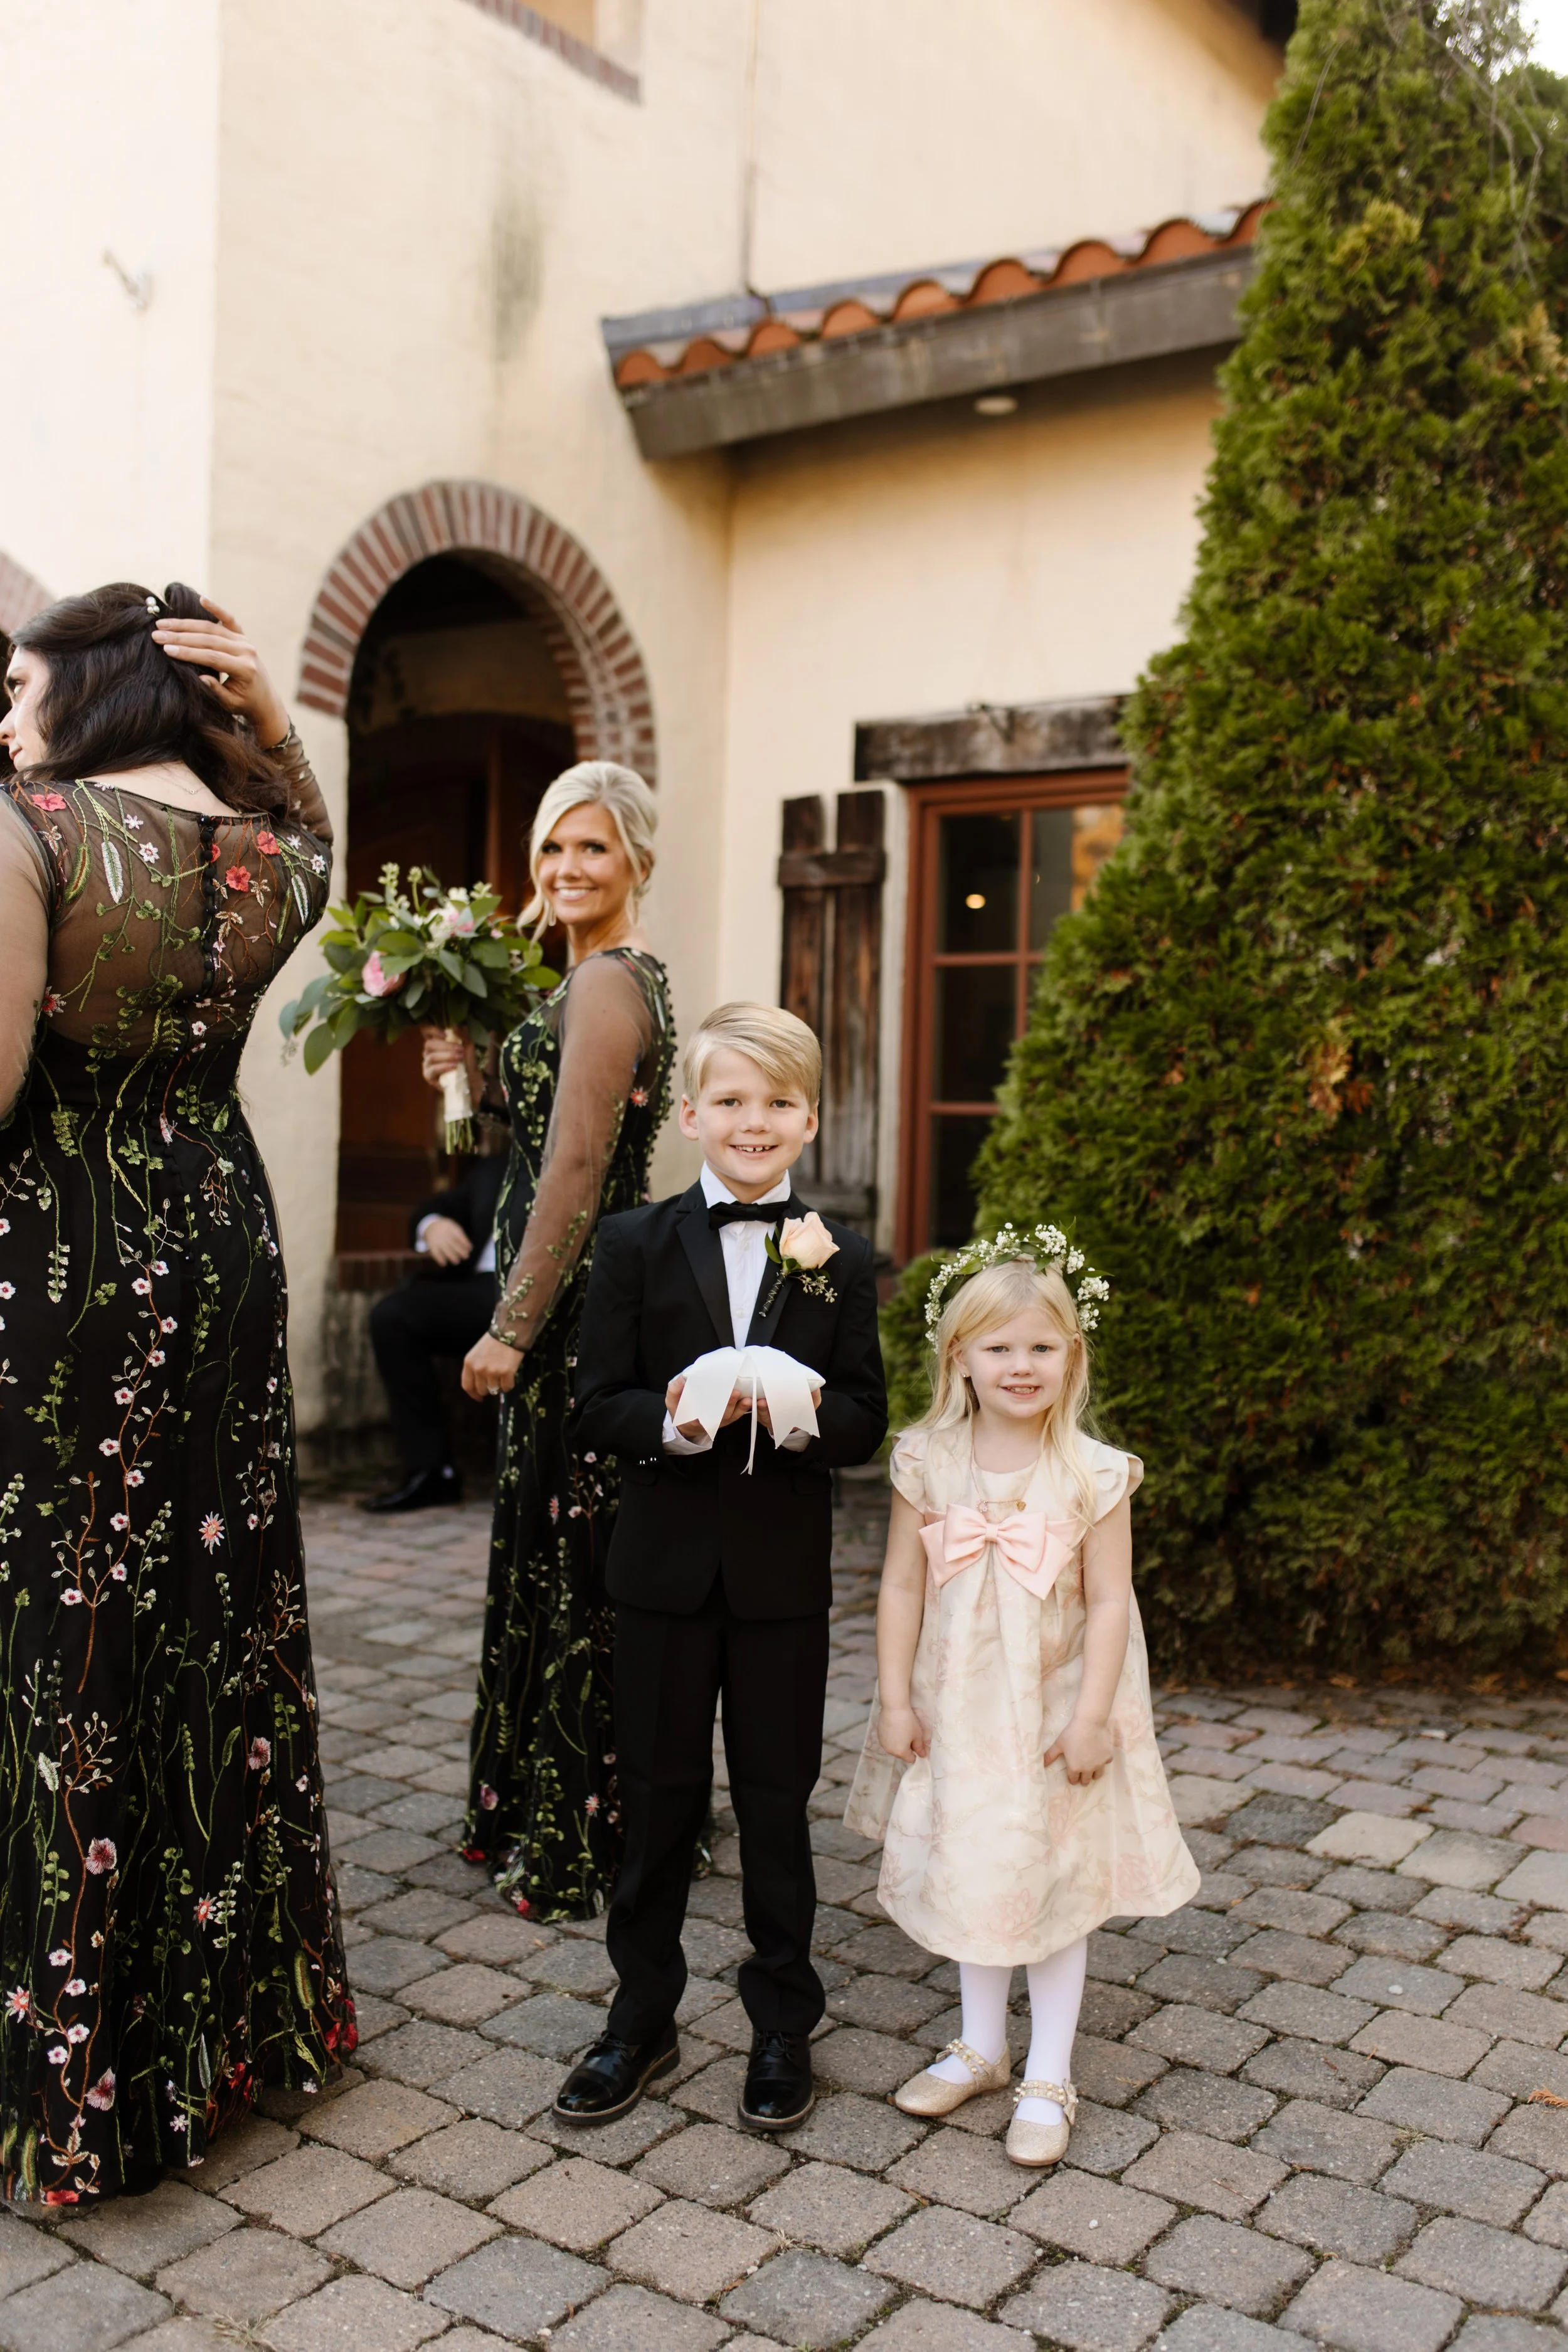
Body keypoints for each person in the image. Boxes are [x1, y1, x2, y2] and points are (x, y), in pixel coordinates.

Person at [0, 583, 354, 2202]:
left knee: (59, 1623)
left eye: (20, 684)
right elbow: (314, 820)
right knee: (209, 1603)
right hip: (220, 1242)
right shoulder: (278, 857)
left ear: (91, 687)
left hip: (62, 1263)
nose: (5, 715)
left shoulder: (36, 829)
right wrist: (272, 715)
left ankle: (69, 2060)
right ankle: (218, 2021)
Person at [554, 1003, 887, 2133]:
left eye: (779, 1103)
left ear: (808, 1120)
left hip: (780, 1581)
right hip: (659, 1576)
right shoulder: (630, 1245)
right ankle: (640, 2014)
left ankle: (784, 2019)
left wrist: (794, 1415)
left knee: (777, 1802)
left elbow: (864, 1421)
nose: (755, 1122)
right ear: (692, 1114)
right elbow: (595, 1404)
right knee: (654, 1801)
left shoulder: (840, 1255)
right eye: (732, 1101)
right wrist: (685, 1419)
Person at [845, 1236, 1198, 2168]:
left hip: (1052, 1705)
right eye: (999, 1347)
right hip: (958, 1704)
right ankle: (982, 2045)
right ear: (958, 1355)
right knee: (977, 1860)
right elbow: (901, 1589)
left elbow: (1114, 1599)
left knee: (1052, 1872)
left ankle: (1048, 2068)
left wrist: (1091, 1719)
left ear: (1071, 1358)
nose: (1020, 1365)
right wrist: (892, 1700)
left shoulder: (1093, 1472)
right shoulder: (926, 1459)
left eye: (1042, 1347)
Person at [421, 762, 674, 1919]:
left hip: (577, 1313)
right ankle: (546, 1801)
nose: (570, 870)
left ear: (636, 864)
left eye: (595, 850)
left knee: (575, 1572)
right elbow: (529, 1154)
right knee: (545, 1555)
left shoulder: (611, 985)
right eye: (554, 850)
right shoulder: (579, 981)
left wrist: (512, 1328)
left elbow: (578, 1168)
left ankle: (590, 1830)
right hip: (569, 1290)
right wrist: (462, 1090)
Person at [361, 1151, 507, 1513]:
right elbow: (434, 1207)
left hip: (546, 1293)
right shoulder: (497, 1165)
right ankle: (431, 1471)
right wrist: (433, 1225)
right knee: (392, 1317)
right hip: (482, 1290)